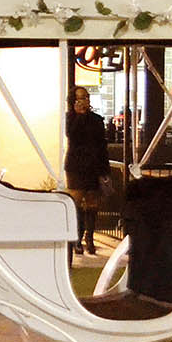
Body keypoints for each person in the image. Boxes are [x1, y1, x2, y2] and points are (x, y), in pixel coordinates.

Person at [64, 86, 108, 256]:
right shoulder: (70, 119)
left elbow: (102, 144)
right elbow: (72, 136)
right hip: (76, 167)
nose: (84, 101)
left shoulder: (97, 119)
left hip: (94, 166)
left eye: (86, 98)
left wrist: (104, 170)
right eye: (80, 98)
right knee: (76, 204)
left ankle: (90, 237)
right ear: (73, 101)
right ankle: (77, 239)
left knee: (92, 204)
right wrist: (79, 116)